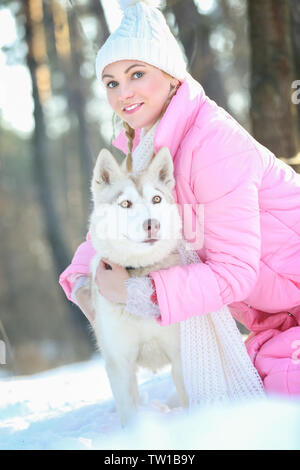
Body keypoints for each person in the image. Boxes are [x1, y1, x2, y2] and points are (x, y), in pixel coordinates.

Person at [59, 0, 300, 396]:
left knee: (267, 396)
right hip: (278, 317)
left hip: (288, 305)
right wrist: (84, 280)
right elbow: (114, 216)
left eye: (137, 73)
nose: (123, 92)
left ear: (172, 77)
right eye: (111, 82)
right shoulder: (148, 146)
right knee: (248, 384)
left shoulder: (212, 145)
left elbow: (235, 272)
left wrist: (139, 292)